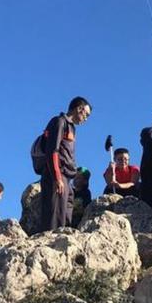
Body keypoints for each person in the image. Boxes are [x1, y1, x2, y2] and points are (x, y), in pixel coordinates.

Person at [39, 96, 91, 232]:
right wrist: (56, 177)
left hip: (67, 178)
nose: (86, 118)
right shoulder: (60, 122)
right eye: (86, 114)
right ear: (79, 109)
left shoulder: (72, 128)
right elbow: (53, 151)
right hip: (56, 176)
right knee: (54, 216)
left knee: (65, 215)